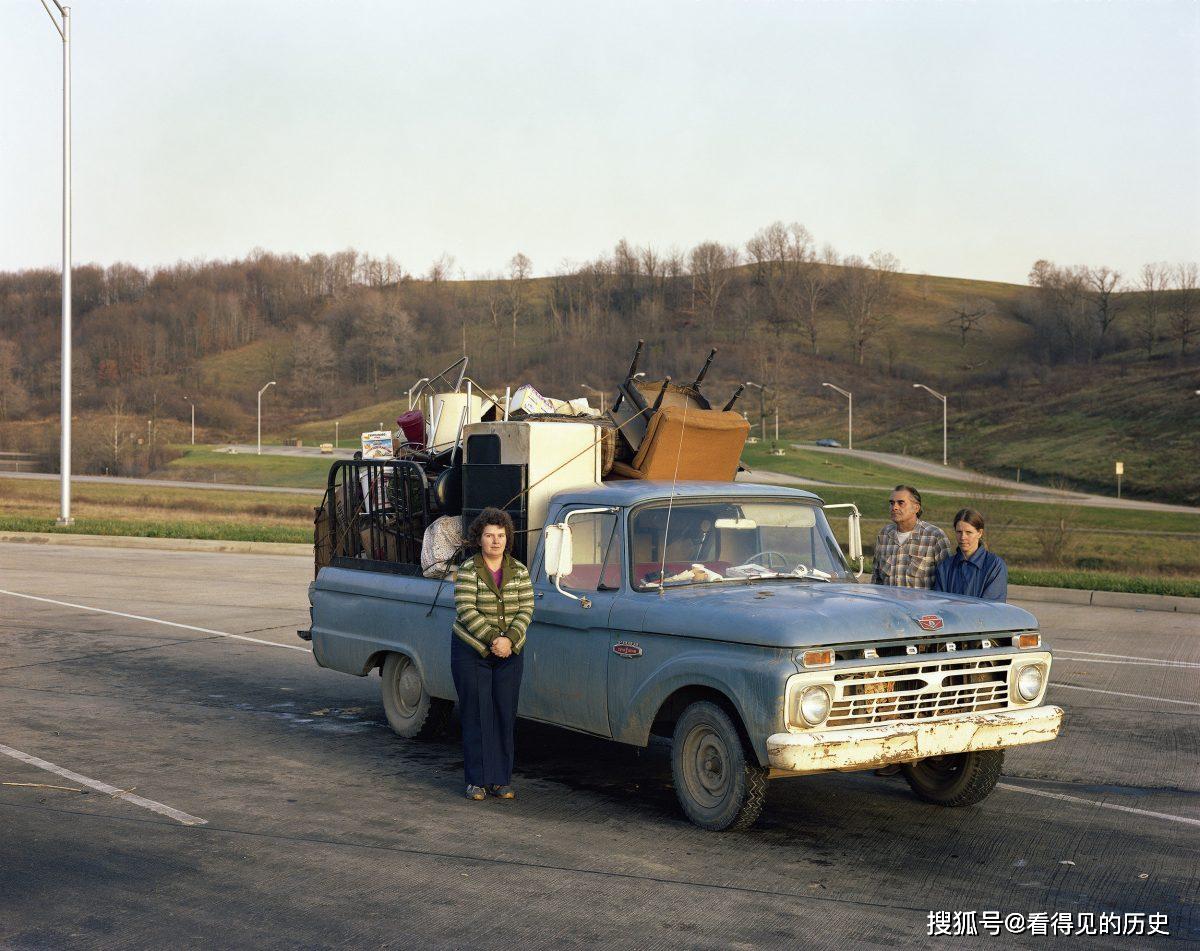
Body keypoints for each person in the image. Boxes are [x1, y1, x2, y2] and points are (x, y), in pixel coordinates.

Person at [451, 507, 534, 801]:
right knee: (476, 713)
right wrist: (493, 639)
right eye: (489, 535)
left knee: (503, 713)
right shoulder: (468, 570)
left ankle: (500, 780)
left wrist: (509, 639)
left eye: (500, 535)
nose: (495, 541)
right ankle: (476, 781)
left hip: (510, 652)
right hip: (471, 651)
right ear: (479, 538)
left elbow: (526, 609)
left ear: (507, 538)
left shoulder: (520, 571)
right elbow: (466, 609)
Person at [871, 485, 951, 589]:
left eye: (901, 503)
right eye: (892, 503)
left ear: (916, 508)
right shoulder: (884, 535)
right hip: (889, 605)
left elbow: (946, 582)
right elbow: (876, 580)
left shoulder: (935, 537)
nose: (894, 507)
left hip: (920, 605)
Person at [933, 507, 1008, 601]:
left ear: (980, 533)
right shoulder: (945, 567)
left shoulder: (994, 565)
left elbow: (992, 607)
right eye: (959, 532)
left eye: (968, 532)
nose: (963, 537)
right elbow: (939, 604)